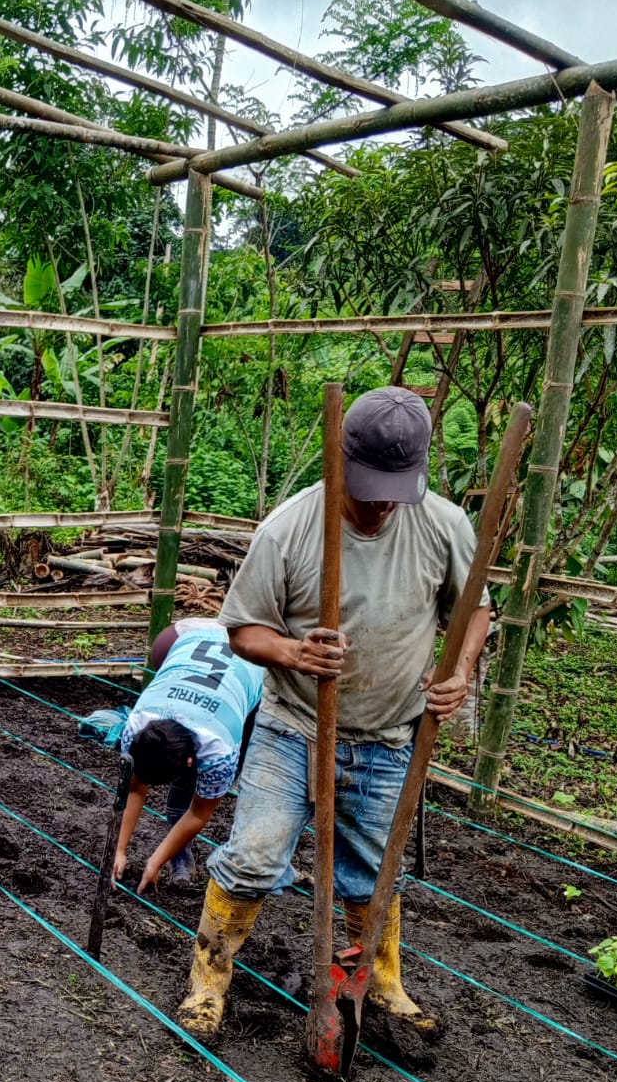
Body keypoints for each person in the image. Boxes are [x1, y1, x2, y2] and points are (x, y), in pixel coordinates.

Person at [178, 387, 491, 1041]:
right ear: (341, 462)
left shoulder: (444, 526)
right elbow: (242, 631)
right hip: (293, 726)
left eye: (393, 493)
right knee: (255, 855)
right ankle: (209, 979)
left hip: (390, 735)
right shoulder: (291, 528)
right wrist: (295, 651)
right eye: (370, 490)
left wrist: (459, 672)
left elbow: (475, 611)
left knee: (374, 873)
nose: (381, 506)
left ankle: (381, 981)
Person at [112, 617, 263, 892]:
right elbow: (135, 788)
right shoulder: (136, 726)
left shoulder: (220, 747)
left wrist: (156, 861)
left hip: (252, 651)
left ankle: (178, 856)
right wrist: (118, 850)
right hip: (188, 635)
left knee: (197, 787)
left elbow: (199, 812)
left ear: (191, 760)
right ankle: (178, 852)